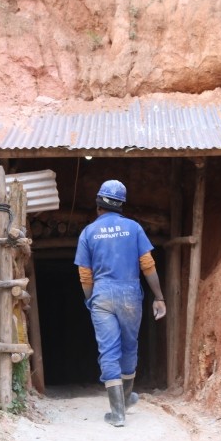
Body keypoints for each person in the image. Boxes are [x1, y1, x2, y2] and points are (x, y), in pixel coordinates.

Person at [74, 179, 167, 427]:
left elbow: (85, 276)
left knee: (109, 351)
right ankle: (125, 399)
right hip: (130, 294)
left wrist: (90, 300)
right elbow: (148, 266)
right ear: (121, 206)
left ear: (98, 206)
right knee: (129, 347)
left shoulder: (88, 233)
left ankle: (117, 413)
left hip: (102, 295)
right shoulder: (134, 228)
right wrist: (159, 297)